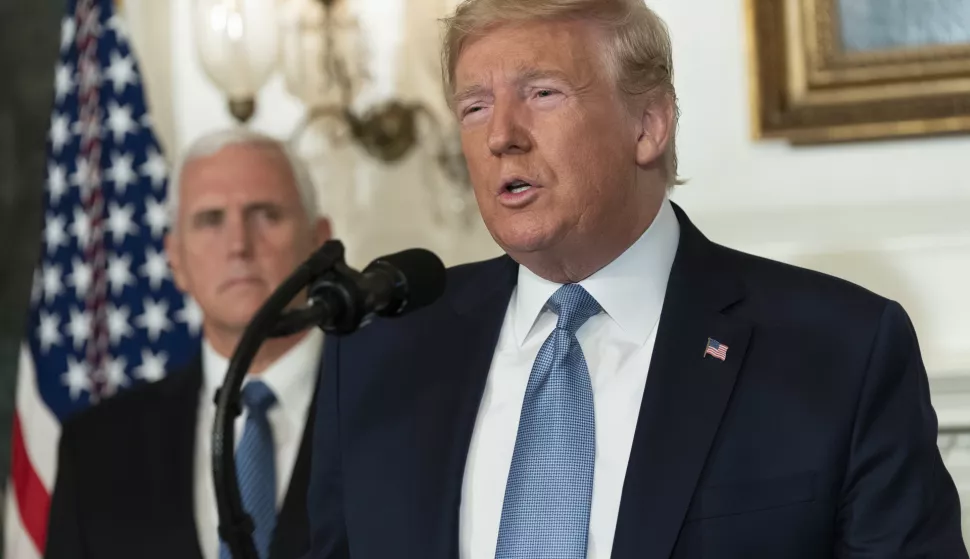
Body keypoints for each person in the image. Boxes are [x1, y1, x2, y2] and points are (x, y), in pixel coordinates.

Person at [305, 0, 968, 557]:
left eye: (541, 93)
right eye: (474, 107)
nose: (501, 135)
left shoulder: (839, 351)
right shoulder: (379, 352)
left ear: (648, 125)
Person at [45, 129, 332, 559]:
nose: (239, 245)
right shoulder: (96, 450)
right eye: (210, 220)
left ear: (320, 242)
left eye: (265, 214)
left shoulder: (393, 413)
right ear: (175, 260)